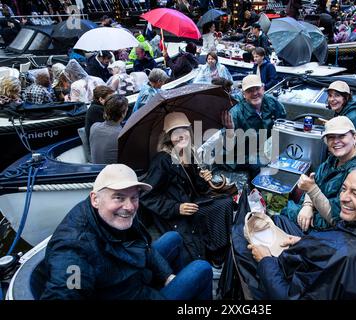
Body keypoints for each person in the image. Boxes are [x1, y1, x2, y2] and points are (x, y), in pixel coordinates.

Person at [244, 164, 356, 299]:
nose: (343, 198)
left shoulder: (337, 253)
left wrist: (265, 260)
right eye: (343, 189)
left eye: (355, 194)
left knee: (241, 238)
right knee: (280, 220)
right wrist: (305, 242)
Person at [40, 164, 212, 299]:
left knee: (173, 237)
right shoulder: (74, 249)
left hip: (129, 274)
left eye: (134, 197)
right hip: (124, 291)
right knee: (201, 268)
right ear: (95, 199)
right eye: (118, 197)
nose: (129, 207)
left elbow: (144, 245)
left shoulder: (115, 215)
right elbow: (67, 289)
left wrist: (167, 276)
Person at [140, 112, 233, 266]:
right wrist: (177, 208)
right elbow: (147, 196)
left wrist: (204, 178)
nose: (182, 135)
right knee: (220, 207)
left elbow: (199, 189)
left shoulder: (190, 154)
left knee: (226, 201)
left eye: (184, 130)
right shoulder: (162, 160)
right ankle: (215, 253)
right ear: (169, 137)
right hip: (177, 211)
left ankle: (218, 249)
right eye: (176, 132)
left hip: (193, 202)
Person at [281, 116, 356, 230]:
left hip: (334, 225)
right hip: (316, 209)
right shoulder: (333, 159)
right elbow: (315, 181)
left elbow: (338, 219)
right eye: (331, 137)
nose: (336, 141)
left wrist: (311, 190)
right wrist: (307, 205)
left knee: (284, 211)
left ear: (354, 137)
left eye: (342, 136)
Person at [226, 75, 286, 177]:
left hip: (267, 148)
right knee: (261, 164)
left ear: (263, 88)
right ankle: (259, 189)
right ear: (244, 94)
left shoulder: (271, 102)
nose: (255, 93)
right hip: (245, 154)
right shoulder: (236, 113)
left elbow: (282, 121)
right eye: (250, 90)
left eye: (257, 89)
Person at [89, 94, 128, 164]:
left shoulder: (94, 127)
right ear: (123, 114)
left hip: (96, 172)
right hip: (114, 173)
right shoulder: (122, 135)